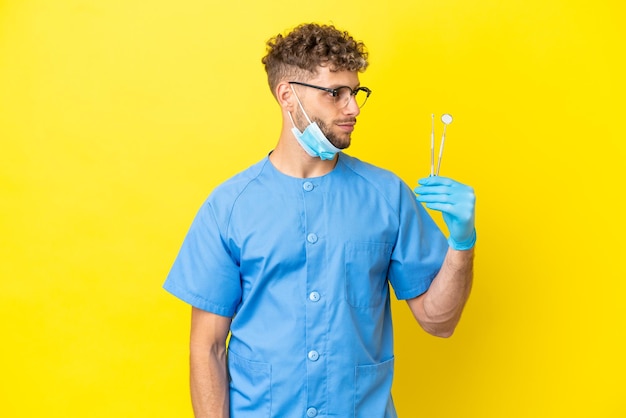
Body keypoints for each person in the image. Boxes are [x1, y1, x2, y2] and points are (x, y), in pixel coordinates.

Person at [163, 22, 476, 418]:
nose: (354, 108)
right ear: (287, 95)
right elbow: (206, 348)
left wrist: (462, 243)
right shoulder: (230, 206)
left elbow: (438, 321)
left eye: (356, 92)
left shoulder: (386, 195)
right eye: (335, 93)